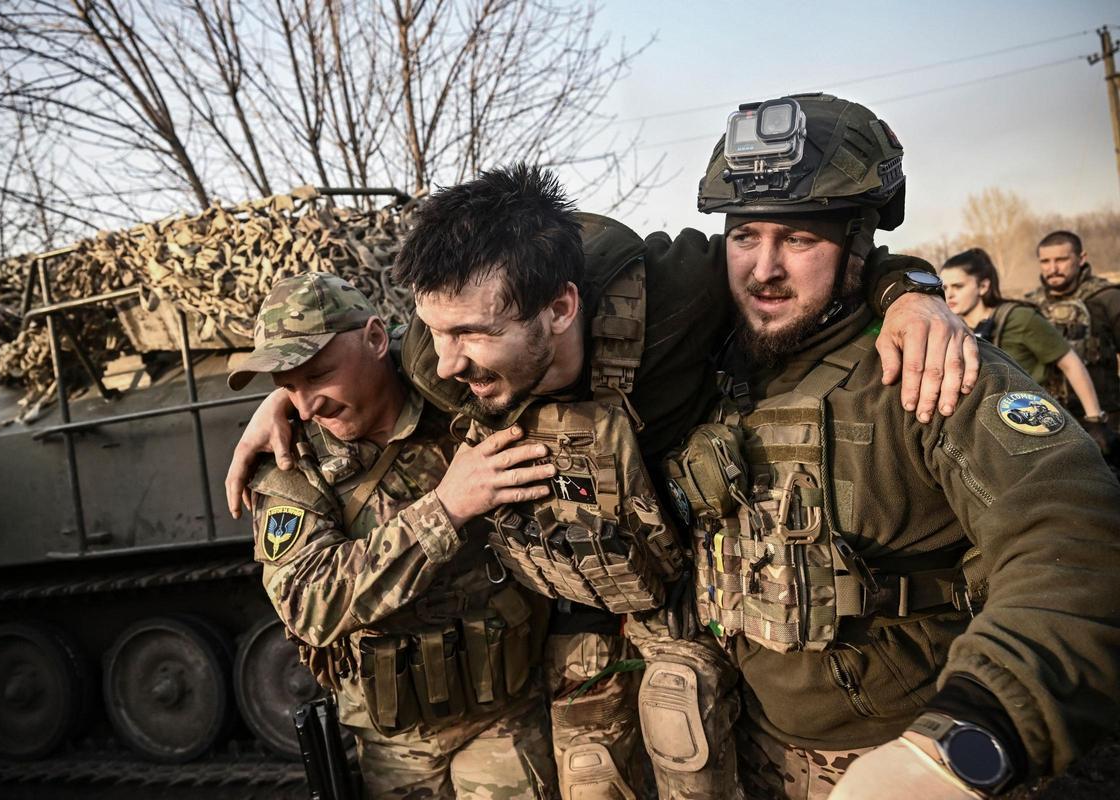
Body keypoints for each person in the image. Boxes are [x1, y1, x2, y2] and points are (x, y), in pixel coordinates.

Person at [225, 163, 977, 799]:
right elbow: (373, 393)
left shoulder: (674, 293)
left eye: (472, 338)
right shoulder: (431, 364)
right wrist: (290, 398)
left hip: (685, 610)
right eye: (440, 338)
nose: (450, 363)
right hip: (529, 647)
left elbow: (794, 273)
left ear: (559, 309)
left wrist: (911, 291)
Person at [667, 92, 1120, 800]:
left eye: (800, 239)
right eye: (746, 235)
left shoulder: (930, 365)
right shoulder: (710, 357)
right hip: (747, 749)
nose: (763, 269)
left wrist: (967, 738)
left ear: (856, 247)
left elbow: (1076, 540)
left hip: (901, 753)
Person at [227, 272, 557, 799]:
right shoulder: (293, 460)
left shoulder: (459, 392)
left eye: (319, 374)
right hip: (394, 739)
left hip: (506, 713)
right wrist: (445, 510)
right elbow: (306, 602)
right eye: (287, 387)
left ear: (378, 340)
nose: (307, 406)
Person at [940, 247, 1106, 421]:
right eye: (944, 287)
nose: (949, 294)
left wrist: (1095, 418)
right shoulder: (955, 328)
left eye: (958, 286)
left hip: (1037, 417)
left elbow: (1070, 363)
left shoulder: (1019, 318)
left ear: (983, 286)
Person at [1024, 230, 1120, 431]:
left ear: (1081, 258)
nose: (1053, 268)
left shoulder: (1107, 297)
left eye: (1061, 260)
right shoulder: (1030, 305)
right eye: (1045, 261)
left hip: (1105, 416)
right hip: (1050, 418)